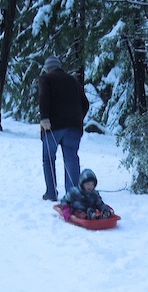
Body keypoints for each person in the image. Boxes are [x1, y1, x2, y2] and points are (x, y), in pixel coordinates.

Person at [39, 55, 90, 201]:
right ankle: (73, 194)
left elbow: (44, 96)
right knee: (71, 159)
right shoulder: (73, 80)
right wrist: (77, 118)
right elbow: (85, 104)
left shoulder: (46, 79)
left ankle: (51, 192)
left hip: (52, 127)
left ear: (47, 69)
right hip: (74, 127)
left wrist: (44, 118)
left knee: (48, 159)